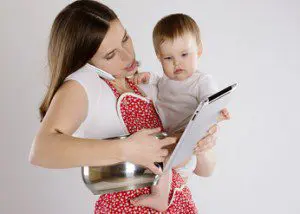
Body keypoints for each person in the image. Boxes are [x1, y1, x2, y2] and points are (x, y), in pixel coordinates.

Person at [28, 1, 221, 213]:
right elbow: (41, 151)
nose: (128, 56)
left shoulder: (142, 83)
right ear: (85, 60)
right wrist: (126, 149)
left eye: (125, 39)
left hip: (179, 204)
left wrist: (200, 143)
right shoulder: (82, 85)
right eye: (110, 55)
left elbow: (206, 170)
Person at [130, 13, 230, 211]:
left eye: (184, 55)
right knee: (156, 153)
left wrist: (220, 112)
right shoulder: (163, 81)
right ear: (159, 58)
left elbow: (212, 102)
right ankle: (171, 190)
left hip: (188, 142)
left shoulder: (201, 81)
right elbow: (155, 82)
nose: (177, 63)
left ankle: (160, 197)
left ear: (199, 51)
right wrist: (147, 77)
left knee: (161, 154)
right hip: (170, 140)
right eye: (168, 58)